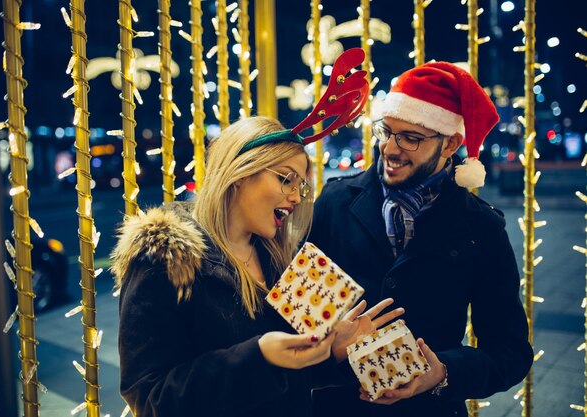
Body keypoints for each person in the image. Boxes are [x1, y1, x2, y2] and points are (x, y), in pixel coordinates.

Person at [110, 116, 403, 417]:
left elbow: (291, 381)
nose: (295, 198)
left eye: (300, 186)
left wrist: (332, 352)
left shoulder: (282, 259)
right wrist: (259, 357)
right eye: (285, 178)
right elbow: (149, 398)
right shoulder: (165, 258)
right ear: (240, 171)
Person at [309, 62, 534, 417]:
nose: (390, 148)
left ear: (451, 144)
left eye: (410, 138)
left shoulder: (480, 226)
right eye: (386, 131)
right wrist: (330, 347)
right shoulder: (335, 202)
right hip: (336, 405)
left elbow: (510, 351)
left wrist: (442, 372)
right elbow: (299, 312)